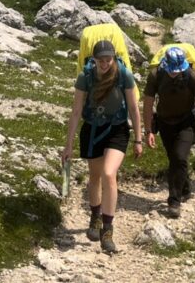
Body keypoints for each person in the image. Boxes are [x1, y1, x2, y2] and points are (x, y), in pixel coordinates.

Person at [61, 40, 142, 254]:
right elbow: (76, 110)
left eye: (108, 60)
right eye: (100, 60)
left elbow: (133, 108)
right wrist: (68, 144)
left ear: (113, 58)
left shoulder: (123, 74)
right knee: (94, 176)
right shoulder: (85, 77)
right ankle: (95, 216)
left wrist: (139, 139)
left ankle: (107, 231)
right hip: (92, 130)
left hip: (117, 130)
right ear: (93, 60)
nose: (105, 64)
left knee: (108, 173)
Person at [143, 47, 195, 219]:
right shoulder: (155, 75)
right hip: (164, 122)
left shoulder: (192, 77)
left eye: (177, 71)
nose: (174, 74)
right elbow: (147, 103)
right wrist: (148, 130)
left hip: (186, 122)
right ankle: (186, 187)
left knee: (180, 157)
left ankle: (174, 201)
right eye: (171, 71)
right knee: (174, 159)